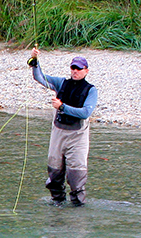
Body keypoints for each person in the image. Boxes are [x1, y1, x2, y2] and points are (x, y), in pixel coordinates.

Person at [28, 47, 97, 206]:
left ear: (86, 71)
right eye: (73, 68)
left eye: (79, 68)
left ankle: (78, 211)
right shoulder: (61, 83)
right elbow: (40, 77)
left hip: (77, 137)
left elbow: (85, 113)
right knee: (54, 176)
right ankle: (57, 205)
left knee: (76, 179)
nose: (75, 71)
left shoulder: (91, 90)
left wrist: (61, 107)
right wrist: (34, 61)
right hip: (58, 134)